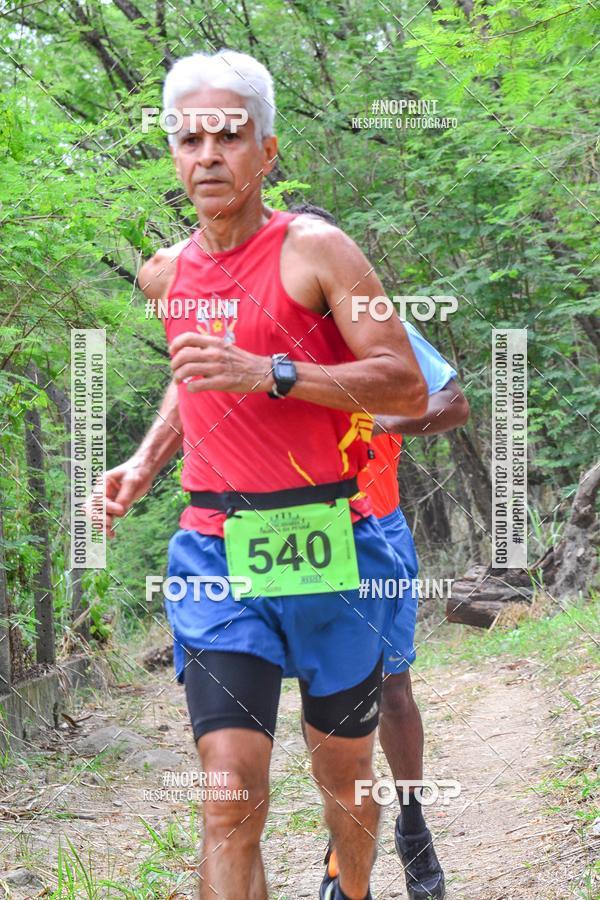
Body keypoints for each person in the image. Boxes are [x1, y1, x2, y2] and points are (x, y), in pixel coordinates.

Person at [97, 49, 428, 900]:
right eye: (188, 138)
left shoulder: (318, 249)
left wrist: (273, 372)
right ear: (173, 154)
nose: (207, 154)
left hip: (333, 547)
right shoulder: (164, 273)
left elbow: (405, 381)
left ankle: (349, 887)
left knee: (347, 786)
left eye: (229, 136)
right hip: (216, 555)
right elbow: (192, 377)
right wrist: (144, 460)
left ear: (267, 151)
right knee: (229, 795)